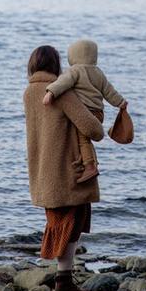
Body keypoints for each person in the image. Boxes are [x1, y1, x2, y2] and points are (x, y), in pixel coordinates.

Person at [24, 45, 104, 291]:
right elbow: (94, 130)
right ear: (56, 65)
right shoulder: (62, 93)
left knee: (60, 224)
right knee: (71, 224)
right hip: (68, 172)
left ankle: (64, 281)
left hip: (42, 172)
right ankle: (63, 283)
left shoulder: (28, 92)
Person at [42, 39, 127, 183]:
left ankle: (89, 167)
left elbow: (62, 83)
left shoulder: (75, 71)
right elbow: (109, 91)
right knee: (86, 140)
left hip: (85, 113)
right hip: (98, 113)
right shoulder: (98, 73)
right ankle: (91, 163)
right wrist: (120, 102)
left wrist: (50, 92)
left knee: (82, 139)